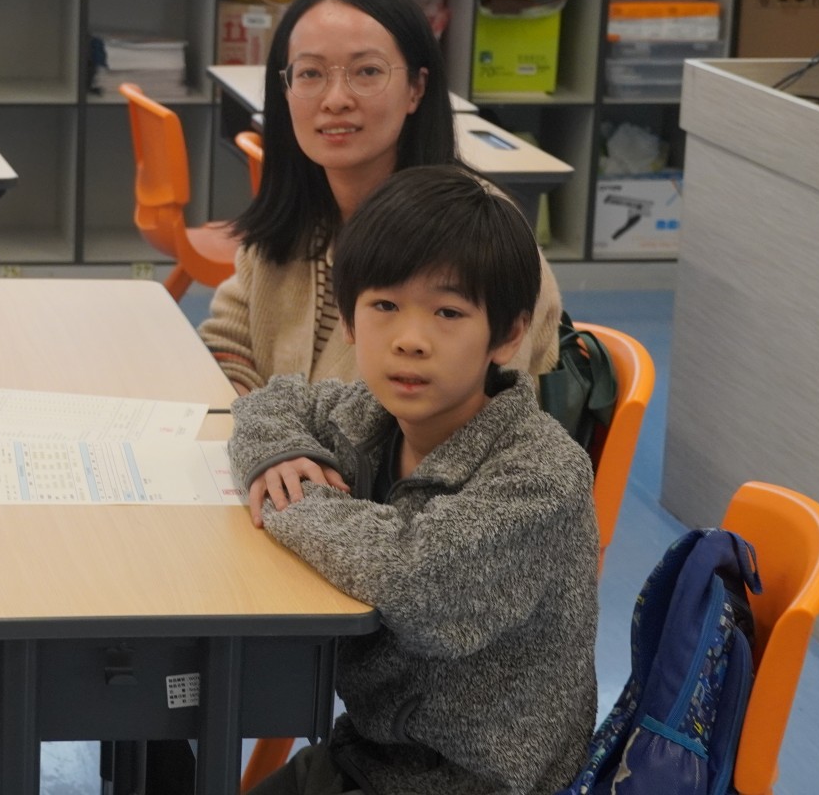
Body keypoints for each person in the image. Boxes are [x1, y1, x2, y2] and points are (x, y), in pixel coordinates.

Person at [231, 164, 598, 795]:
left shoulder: (543, 474)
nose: (410, 340)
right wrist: (280, 454)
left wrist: (295, 498)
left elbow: (416, 582)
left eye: (448, 312)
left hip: (472, 784)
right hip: (371, 756)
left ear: (508, 335)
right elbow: (271, 404)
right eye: (384, 306)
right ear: (350, 321)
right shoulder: (370, 416)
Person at [198, 0, 562, 393]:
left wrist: (273, 428)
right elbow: (226, 345)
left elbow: (462, 418)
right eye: (311, 73)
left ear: (416, 89)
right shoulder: (299, 218)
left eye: (367, 71)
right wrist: (253, 415)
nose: (335, 99)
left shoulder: (478, 236)